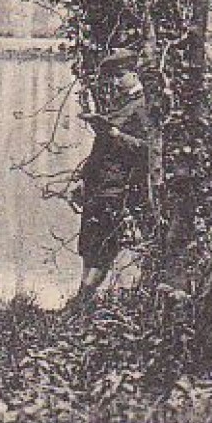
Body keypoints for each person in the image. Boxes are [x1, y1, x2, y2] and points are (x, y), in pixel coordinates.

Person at [69, 47, 151, 303]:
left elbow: (148, 149)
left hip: (116, 187)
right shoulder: (120, 102)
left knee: (104, 247)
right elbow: (100, 149)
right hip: (97, 186)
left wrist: (116, 135)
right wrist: (83, 179)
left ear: (135, 73)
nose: (116, 82)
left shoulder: (143, 105)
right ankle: (83, 303)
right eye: (113, 77)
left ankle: (81, 303)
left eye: (120, 75)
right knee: (89, 246)